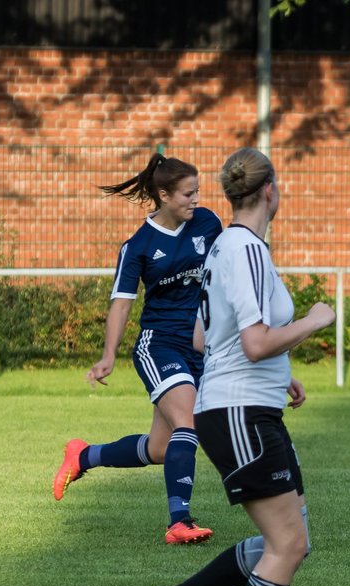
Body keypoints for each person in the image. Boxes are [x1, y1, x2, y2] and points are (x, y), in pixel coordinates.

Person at [143, 147, 336, 586]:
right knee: (288, 546)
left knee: (293, 541)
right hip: (239, 414)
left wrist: (280, 372)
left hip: (248, 406)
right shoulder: (245, 249)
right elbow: (253, 343)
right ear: (271, 190)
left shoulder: (230, 247)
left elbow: (208, 338)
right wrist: (312, 321)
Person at [53, 153, 222, 545]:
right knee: (189, 424)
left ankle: (82, 456)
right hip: (159, 344)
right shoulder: (139, 246)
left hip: (200, 345)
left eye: (198, 192)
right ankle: (179, 522)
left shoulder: (208, 224)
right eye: (187, 194)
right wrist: (108, 355)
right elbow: (122, 302)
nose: (195, 200)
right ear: (163, 194)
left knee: (163, 449)